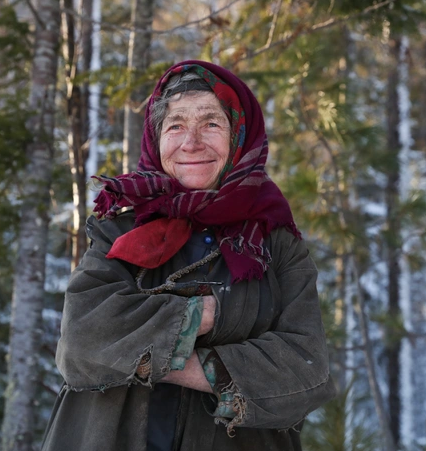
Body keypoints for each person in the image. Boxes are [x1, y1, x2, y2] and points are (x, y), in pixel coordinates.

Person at [41, 60, 335, 451]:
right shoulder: (120, 229)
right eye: (175, 125)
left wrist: (148, 352)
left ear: (240, 136)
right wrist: (213, 315)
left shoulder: (276, 242)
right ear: (155, 137)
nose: (191, 142)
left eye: (211, 123)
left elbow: (305, 372)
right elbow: (81, 342)